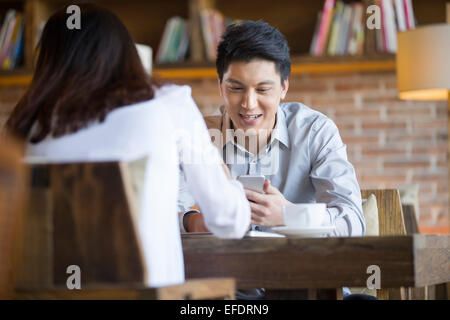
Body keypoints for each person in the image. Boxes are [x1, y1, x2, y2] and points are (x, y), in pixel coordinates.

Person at [5, 4, 250, 288]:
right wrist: (223, 175)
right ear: (125, 54)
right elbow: (229, 221)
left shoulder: (21, 128)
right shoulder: (168, 104)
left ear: (47, 60)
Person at [178, 20, 369, 300]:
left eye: (263, 89)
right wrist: (195, 223)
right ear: (221, 86)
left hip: (308, 287)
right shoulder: (199, 136)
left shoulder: (315, 131)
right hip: (229, 293)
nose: (248, 104)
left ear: (283, 88)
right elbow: (159, 216)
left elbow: (353, 222)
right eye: (236, 88)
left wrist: (289, 215)